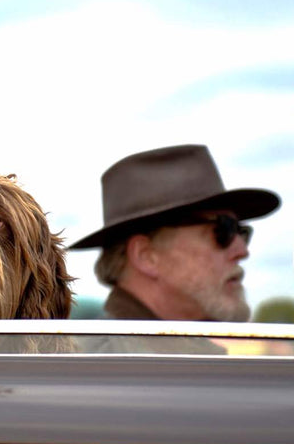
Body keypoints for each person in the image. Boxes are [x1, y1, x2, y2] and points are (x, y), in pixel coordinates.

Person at [69, 145, 280, 353]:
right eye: (223, 229)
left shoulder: (186, 362)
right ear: (146, 256)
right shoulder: (93, 370)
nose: (242, 250)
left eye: (241, 232)